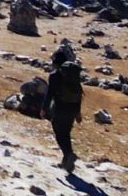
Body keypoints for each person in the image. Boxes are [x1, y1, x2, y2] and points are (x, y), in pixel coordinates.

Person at [42, 45, 84, 173]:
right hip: (72, 108)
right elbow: (79, 93)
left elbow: (49, 94)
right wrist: (78, 112)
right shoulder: (73, 76)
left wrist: (44, 109)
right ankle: (67, 163)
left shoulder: (54, 75)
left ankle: (69, 154)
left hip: (60, 108)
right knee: (66, 133)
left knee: (59, 134)